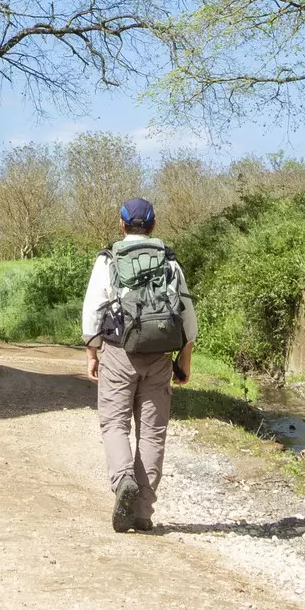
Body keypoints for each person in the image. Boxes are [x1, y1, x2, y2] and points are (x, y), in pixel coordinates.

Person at [83, 197, 196, 532]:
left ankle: (123, 482)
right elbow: (187, 313)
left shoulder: (109, 260)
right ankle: (143, 511)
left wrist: (92, 351)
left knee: (114, 424)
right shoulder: (169, 261)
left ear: (121, 224)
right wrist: (185, 358)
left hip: (119, 352)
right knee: (153, 432)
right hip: (160, 355)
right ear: (153, 225)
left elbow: (93, 309)